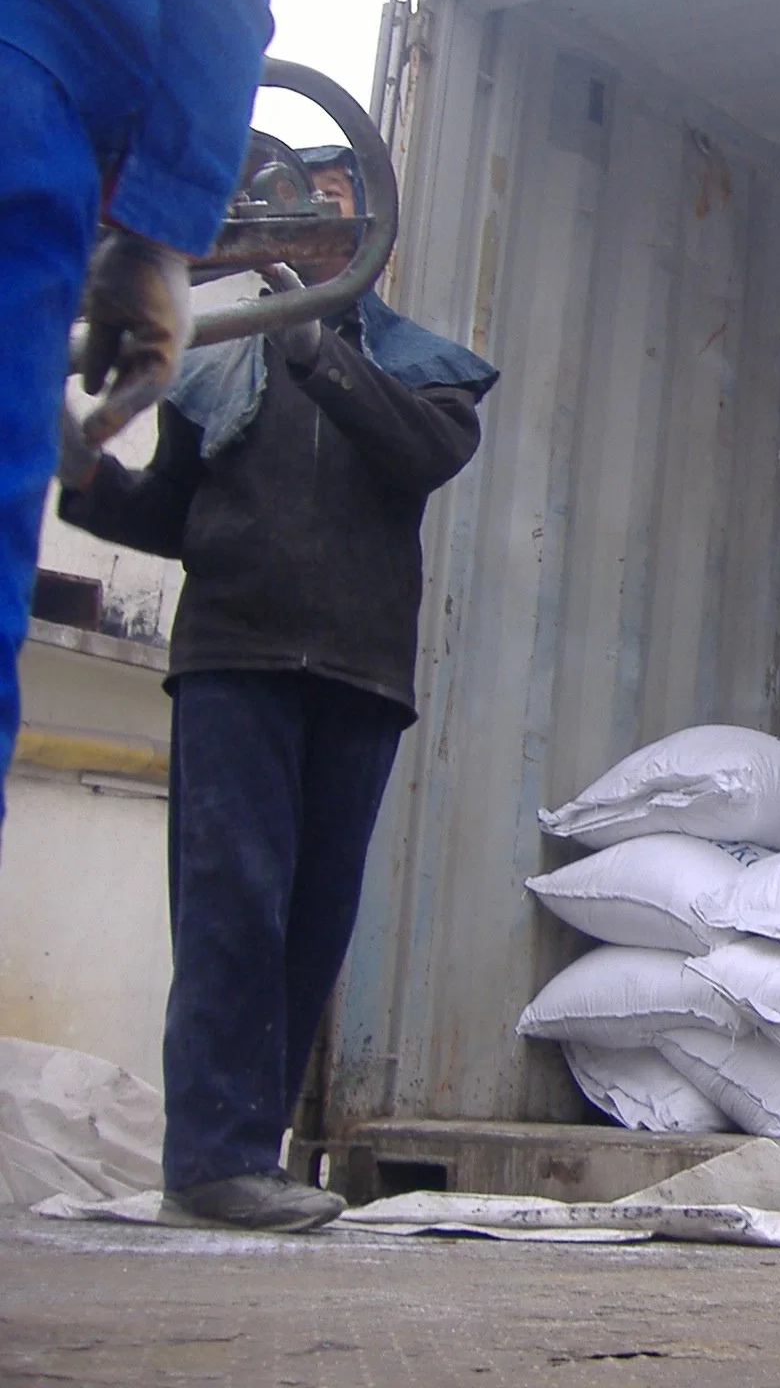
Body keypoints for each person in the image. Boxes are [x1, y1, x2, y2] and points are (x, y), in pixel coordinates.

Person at [57, 146, 498, 1231]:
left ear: (370, 236)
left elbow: (419, 456)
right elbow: (173, 517)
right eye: (297, 196)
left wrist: (319, 352)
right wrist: (83, 474)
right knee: (230, 907)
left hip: (358, 674)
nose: (310, 214)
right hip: (234, 660)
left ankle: (251, 1153)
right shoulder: (210, 367)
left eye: (338, 201)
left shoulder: (425, 366)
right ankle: (214, 1159)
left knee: (310, 922)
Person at [0, 0, 285, 818]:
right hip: (25, 45)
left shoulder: (412, 368)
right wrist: (165, 214)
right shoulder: (219, 361)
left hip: (339, 673)